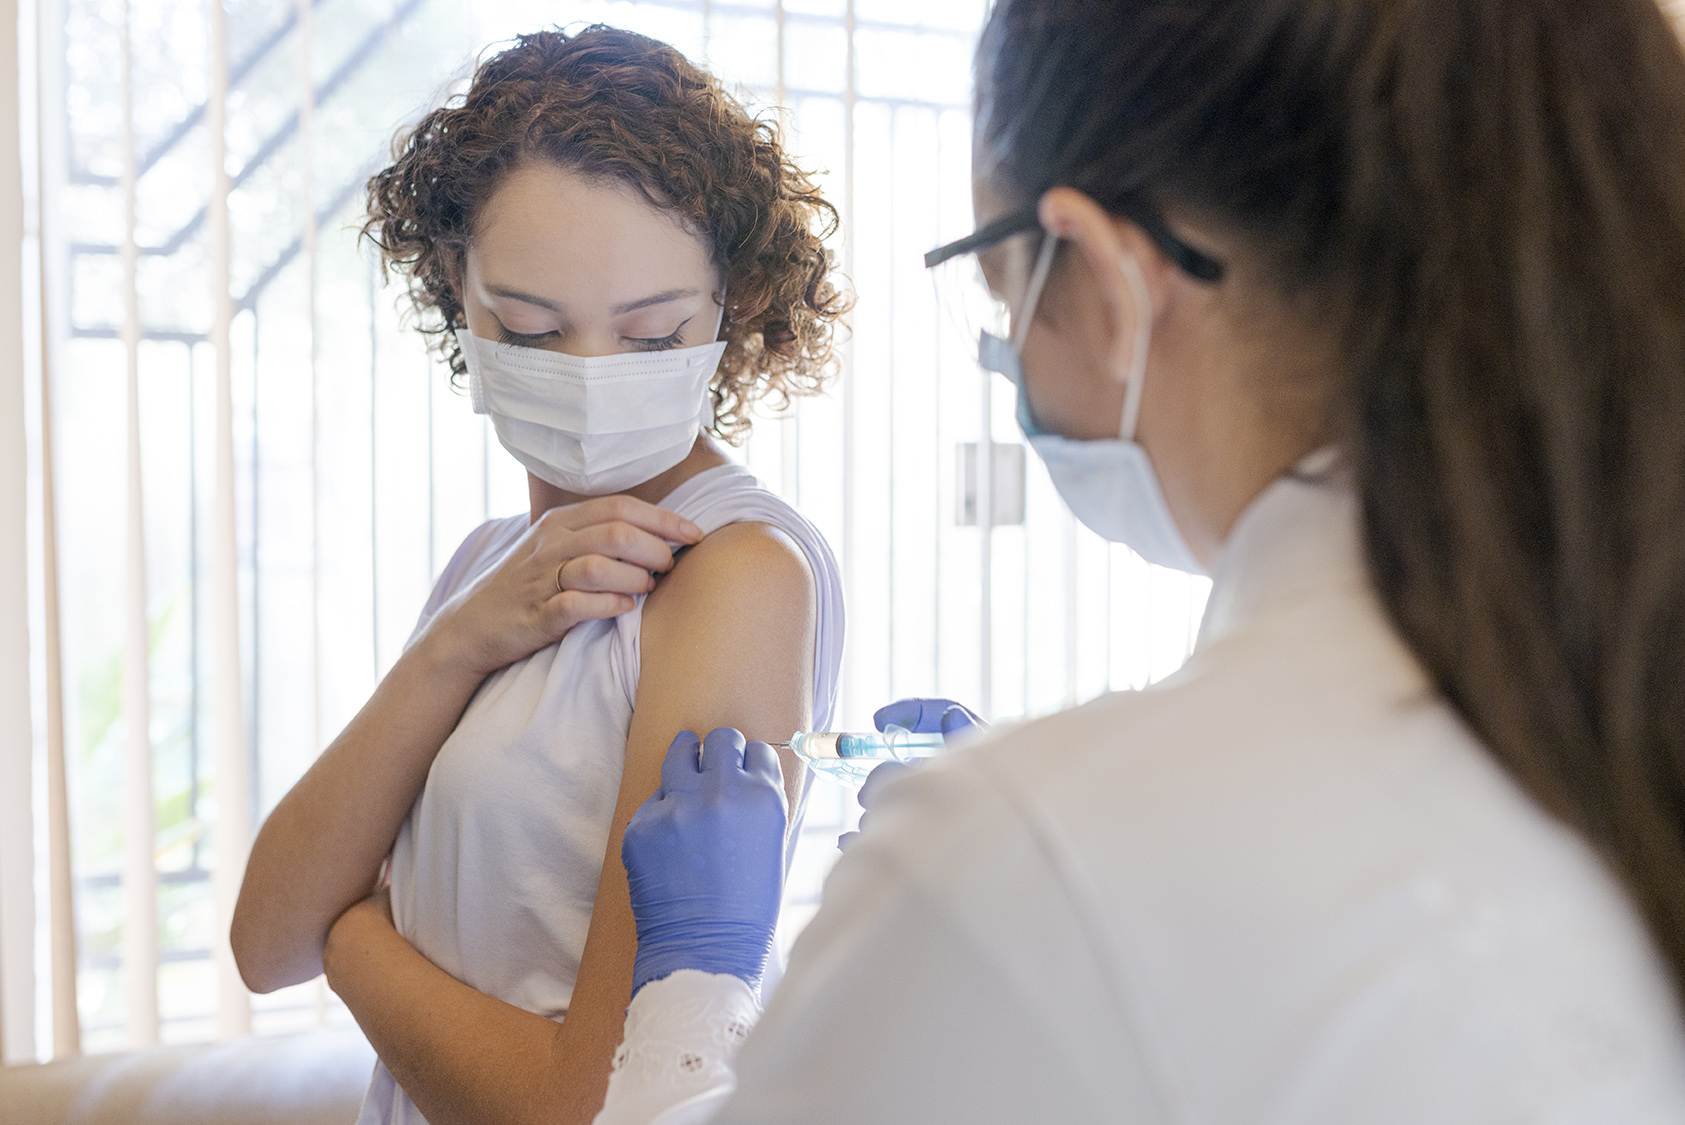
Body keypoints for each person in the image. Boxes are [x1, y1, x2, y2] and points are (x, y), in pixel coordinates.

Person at [595, 0, 1685, 1120]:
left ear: (1105, 276)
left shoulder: (1027, 861)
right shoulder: (1605, 711)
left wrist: (697, 979)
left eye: (1000, 290)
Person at [228, 26, 847, 1125]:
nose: (590, 378)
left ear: (732, 309)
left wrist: (351, 928)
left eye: (652, 336)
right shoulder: (487, 568)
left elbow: (588, 1109)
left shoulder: (733, 574)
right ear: (453, 291)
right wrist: (458, 641)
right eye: (530, 327)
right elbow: (263, 943)